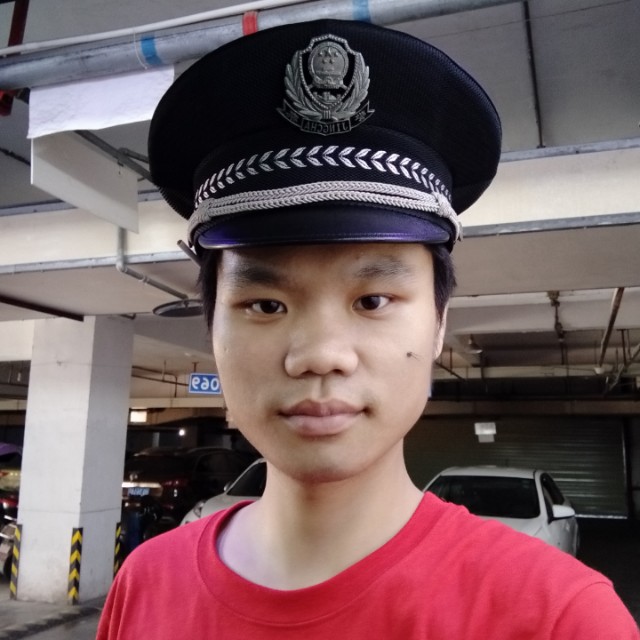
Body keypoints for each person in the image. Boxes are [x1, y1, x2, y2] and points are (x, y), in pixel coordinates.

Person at [97, 19, 639, 639]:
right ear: (212, 328)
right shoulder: (145, 582)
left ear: (438, 325)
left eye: (373, 300)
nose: (320, 356)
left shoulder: (558, 617)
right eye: (266, 305)